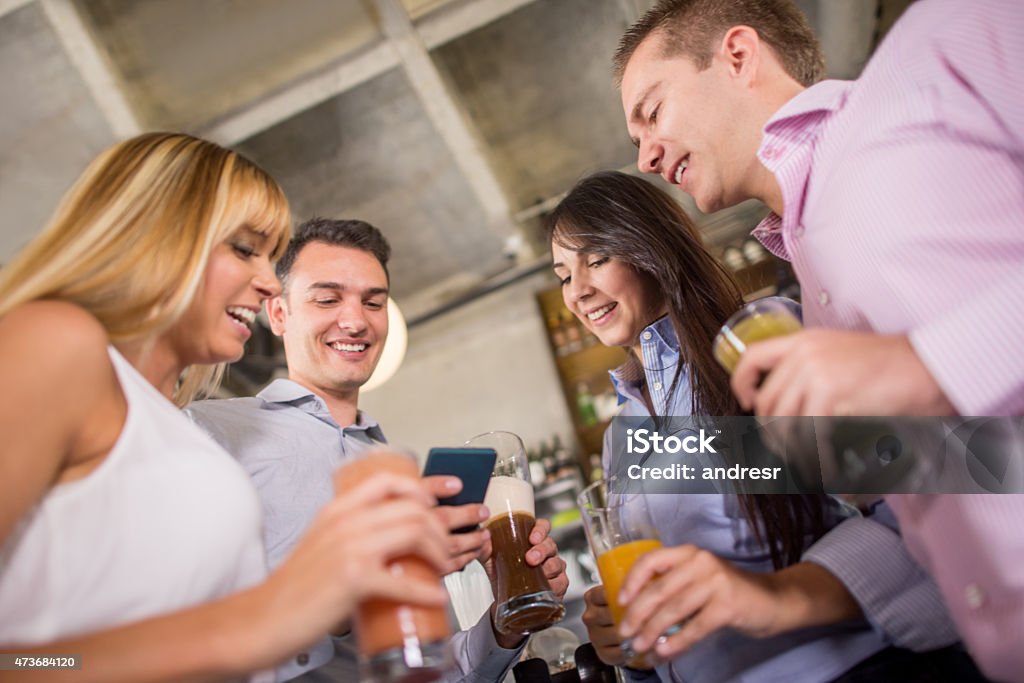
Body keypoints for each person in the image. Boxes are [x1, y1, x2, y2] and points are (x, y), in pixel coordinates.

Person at [614, 0, 1024, 679]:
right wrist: (769, 596)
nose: (647, 156)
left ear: (738, 55)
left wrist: (928, 365)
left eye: (652, 113)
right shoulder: (810, 276)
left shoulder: (947, 38)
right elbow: (961, 479)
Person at [0, 133, 452, 682]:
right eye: (243, 249)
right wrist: (257, 621)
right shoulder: (57, 342)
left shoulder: (169, 423)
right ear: (156, 236)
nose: (266, 284)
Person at [550, 170, 976, 683]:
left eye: (596, 260)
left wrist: (771, 596)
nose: (578, 291)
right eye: (563, 276)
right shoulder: (623, 436)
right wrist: (629, 646)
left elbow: (918, 507)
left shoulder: (755, 343)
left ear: (650, 249)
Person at [187, 217, 569, 681]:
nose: (356, 320)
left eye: (374, 302)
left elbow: (434, 668)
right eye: (327, 299)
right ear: (279, 313)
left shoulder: (397, 469)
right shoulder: (210, 432)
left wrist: (503, 624)